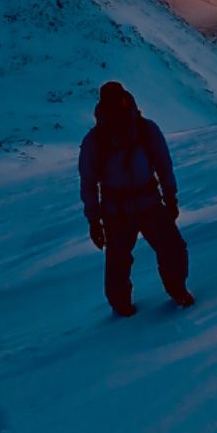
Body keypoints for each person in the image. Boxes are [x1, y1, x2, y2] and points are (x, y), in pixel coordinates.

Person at [79, 81, 194, 316]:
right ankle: (169, 294)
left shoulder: (124, 134)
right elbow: (163, 165)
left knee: (129, 259)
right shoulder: (134, 132)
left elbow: (89, 183)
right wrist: (170, 198)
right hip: (136, 205)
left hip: (129, 207)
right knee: (129, 260)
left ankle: (161, 296)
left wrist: (94, 220)